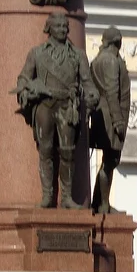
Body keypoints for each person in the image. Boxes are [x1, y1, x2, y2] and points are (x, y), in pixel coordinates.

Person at [16, 12, 99, 208]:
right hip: (45, 105)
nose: (62, 30)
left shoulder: (78, 55)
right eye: (58, 26)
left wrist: (92, 95)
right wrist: (26, 91)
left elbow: (87, 82)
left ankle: (67, 198)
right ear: (49, 28)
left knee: (68, 152)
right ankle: (47, 196)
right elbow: (23, 78)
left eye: (65, 26)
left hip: (67, 106)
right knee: (45, 150)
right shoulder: (36, 53)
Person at [89, 27, 131, 214]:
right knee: (110, 160)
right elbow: (113, 92)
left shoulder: (97, 60)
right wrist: (118, 121)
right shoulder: (111, 61)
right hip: (110, 116)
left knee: (108, 160)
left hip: (101, 113)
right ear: (117, 42)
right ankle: (102, 204)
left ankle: (99, 202)